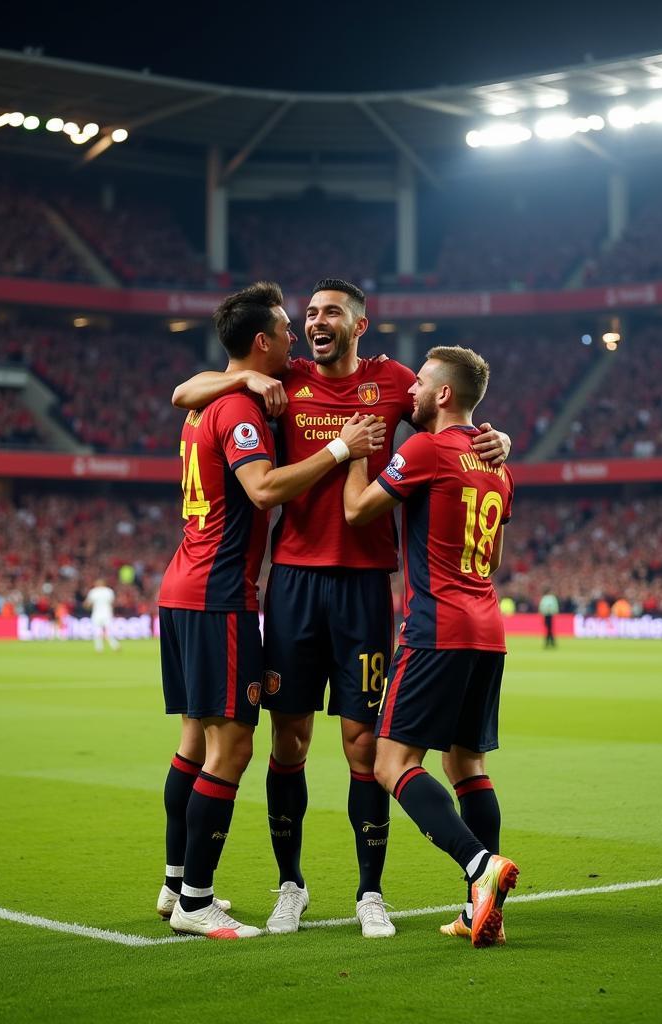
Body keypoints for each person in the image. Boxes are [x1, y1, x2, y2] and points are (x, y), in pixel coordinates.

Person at [171, 278, 510, 938]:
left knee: (362, 746)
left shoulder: (394, 382)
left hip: (364, 589)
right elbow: (186, 394)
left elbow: (453, 420)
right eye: (309, 313)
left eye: (329, 313)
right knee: (288, 738)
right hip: (294, 585)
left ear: (359, 324)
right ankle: (290, 885)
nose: (315, 321)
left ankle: (369, 893)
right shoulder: (284, 379)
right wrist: (234, 385)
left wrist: (497, 439)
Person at [157, 281, 386, 939]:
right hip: (221, 594)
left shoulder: (208, 401)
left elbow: (183, 390)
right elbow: (260, 489)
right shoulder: (242, 408)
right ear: (263, 342)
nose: (298, 334)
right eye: (290, 326)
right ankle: (197, 899)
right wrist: (340, 449)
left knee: (195, 741)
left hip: (183, 586)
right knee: (231, 747)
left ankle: (176, 886)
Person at [342, 345, 520, 948]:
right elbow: (492, 555)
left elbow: (357, 511)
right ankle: (481, 911)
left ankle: (480, 867)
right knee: (466, 763)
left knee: (390, 762)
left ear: (444, 394)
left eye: (419, 382)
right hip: (487, 628)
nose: (411, 391)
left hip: (436, 628)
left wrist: (355, 453)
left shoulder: (423, 449)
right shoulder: (497, 463)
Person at [84, 579, 120, 652]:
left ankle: (99, 648)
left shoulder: (93, 591)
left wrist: (84, 606)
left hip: (96, 614)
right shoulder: (109, 591)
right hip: (107, 613)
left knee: (97, 631)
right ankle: (115, 645)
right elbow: (113, 602)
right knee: (108, 631)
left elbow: (87, 604)